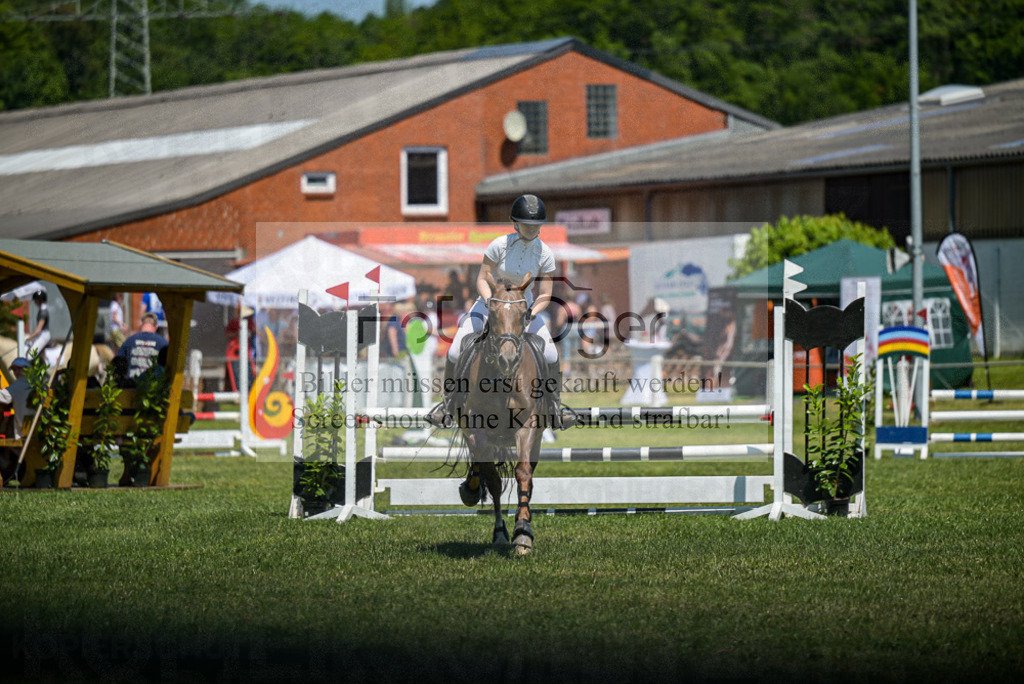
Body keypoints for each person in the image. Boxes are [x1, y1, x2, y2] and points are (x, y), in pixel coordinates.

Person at [424, 194, 577, 429]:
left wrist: (531, 312)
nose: (532, 229)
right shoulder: (499, 245)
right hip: (489, 303)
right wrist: (491, 303)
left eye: (536, 225)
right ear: (515, 224)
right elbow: (482, 278)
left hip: (523, 308)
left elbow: (545, 294)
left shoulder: (545, 253)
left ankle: (555, 409)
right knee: (455, 350)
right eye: (527, 225)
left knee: (551, 354)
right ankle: (447, 405)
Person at [115, 313, 168, 386]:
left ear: (141, 324)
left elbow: (118, 365)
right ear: (156, 326)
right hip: (153, 389)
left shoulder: (129, 341)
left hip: (131, 388)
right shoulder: (163, 343)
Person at [26, 290, 50, 356]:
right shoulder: (41, 310)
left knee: (30, 355)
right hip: (41, 334)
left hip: (44, 335)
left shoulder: (43, 312)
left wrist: (29, 337)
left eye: (36, 300)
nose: (34, 302)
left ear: (40, 300)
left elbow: (38, 330)